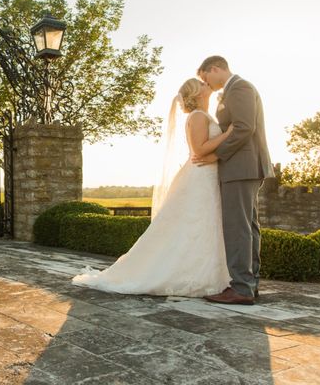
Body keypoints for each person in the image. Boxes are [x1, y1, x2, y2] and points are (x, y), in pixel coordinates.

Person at [72, 78, 232, 297]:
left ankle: (208, 273)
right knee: (196, 223)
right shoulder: (197, 117)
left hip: (208, 176)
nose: (207, 85)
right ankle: (185, 275)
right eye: (202, 84)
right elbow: (199, 149)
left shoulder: (205, 115)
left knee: (205, 225)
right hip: (200, 176)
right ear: (196, 93)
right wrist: (229, 134)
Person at [194, 56, 273, 305]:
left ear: (215, 69)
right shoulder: (231, 92)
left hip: (240, 167)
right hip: (244, 167)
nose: (206, 83)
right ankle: (249, 285)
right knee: (248, 227)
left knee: (237, 228)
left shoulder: (239, 88)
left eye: (205, 78)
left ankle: (241, 287)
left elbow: (243, 128)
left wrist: (217, 155)